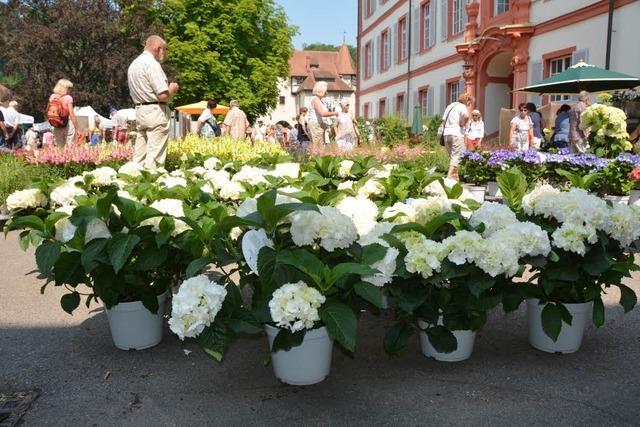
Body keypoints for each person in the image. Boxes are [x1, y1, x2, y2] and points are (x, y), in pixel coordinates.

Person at [128, 35, 179, 169]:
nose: (164, 54)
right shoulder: (152, 64)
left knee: (139, 156)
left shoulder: (134, 64)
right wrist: (172, 90)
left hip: (140, 110)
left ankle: (132, 181)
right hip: (155, 112)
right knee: (155, 156)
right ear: (158, 48)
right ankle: (152, 183)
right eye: (164, 50)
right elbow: (162, 94)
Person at [441, 93, 475, 180]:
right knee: (457, 155)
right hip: (456, 133)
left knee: (453, 156)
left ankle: (455, 177)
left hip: (446, 134)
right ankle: (449, 176)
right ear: (467, 101)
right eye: (470, 103)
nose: (469, 105)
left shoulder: (450, 106)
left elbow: (443, 120)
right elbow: (467, 116)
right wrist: (462, 123)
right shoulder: (462, 106)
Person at [49, 80, 80, 147]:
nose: (70, 90)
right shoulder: (68, 98)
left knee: (59, 146)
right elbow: (72, 115)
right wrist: (77, 128)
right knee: (71, 146)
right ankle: (70, 157)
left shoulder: (52, 97)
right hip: (67, 124)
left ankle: (60, 157)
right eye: (69, 88)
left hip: (56, 124)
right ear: (65, 88)